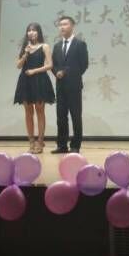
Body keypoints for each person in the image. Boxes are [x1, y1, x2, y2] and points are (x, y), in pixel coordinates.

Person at [14, 23, 55, 154]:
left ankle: (40, 141)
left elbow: (50, 65)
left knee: (40, 111)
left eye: (34, 30)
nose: (31, 32)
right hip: (25, 81)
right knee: (28, 112)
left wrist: (34, 71)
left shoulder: (44, 46)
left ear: (39, 32)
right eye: (29, 30)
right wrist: (25, 54)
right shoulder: (25, 48)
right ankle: (31, 141)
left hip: (39, 80)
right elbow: (18, 66)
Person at [51, 16, 88, 154]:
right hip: (60, 86)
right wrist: (56, 72)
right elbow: (53, 64)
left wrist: (67, 73)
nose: (62, 27)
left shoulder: (80, 44)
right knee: (61, 117)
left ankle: (75, 145)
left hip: (74, 86)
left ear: (72, 26)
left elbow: (84, 65)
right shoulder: (56, 46)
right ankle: (62, 145)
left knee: (76, 116)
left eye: (65, 24)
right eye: (60, 24)